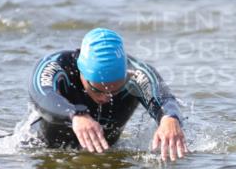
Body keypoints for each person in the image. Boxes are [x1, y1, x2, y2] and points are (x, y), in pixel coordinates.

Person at [19, 28, 188, 161]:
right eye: (98, 90)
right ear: (82, 72)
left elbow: (164, 99)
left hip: (103, 158)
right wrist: (75, 114)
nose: (107, 97)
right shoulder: (56, 65)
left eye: (115, 90)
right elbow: (42, 96)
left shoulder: (135, 73)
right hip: (40, 153)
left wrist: (169, 118)